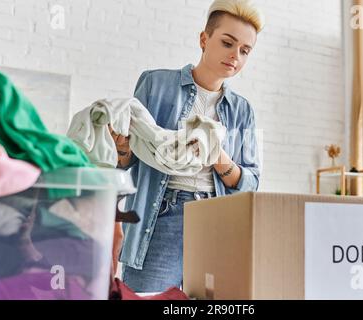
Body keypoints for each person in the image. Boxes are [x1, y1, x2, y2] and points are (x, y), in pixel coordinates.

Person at [112, 0, 264, 292]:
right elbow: (128, 162)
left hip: (216, 223)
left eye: (245, 51)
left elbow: (251, 184)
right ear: (204, 39)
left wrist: (219, 158)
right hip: (159, 220)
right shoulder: (155, 84)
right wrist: (121, 148)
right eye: (228, 43)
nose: (235, 56)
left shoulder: (243, 110)